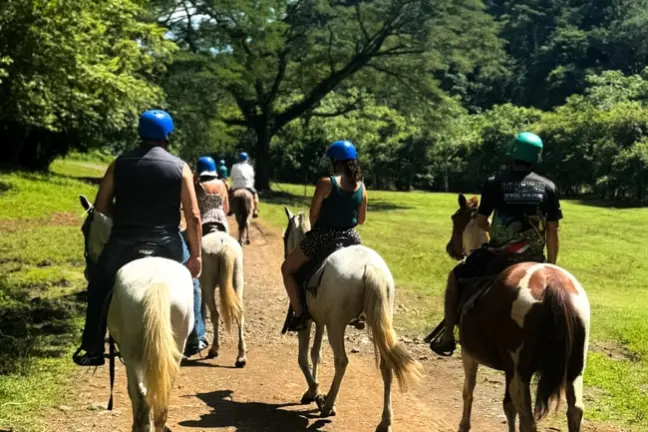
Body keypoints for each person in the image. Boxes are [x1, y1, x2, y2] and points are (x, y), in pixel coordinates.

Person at [73, 109, 202, 366]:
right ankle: (195, 337)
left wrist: (121, 215)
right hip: (168, 242)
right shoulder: (180, 167)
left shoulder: (119, 163)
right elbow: (195, 216)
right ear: (168, 135)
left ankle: (93, 346)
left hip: (124, 242)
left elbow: (100, 206)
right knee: (193, 282)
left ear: (140, 133)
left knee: (99, 283)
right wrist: (196, 256)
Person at [430, 132, 563, 357]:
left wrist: (497, 230)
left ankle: (447, 335)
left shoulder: (495, 183)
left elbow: (481, 221)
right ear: (536, 158)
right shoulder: (548, 187)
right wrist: (551, 265)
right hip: (534, 258)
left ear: (512, 155)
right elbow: (552, 231)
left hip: (499, 257)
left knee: (455, 275)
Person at [280, 140, 368, 332]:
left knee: (287, 268)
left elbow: (313, 215)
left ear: (334, 161)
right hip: (352, 238)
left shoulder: (325, 182)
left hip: (323, 235)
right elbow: (361, 220)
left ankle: (299, 314)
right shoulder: (361, 186)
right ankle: (361, 311)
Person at [195, 156, 230, 235]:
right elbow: (226, 209)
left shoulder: (198, 185)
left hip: (203, 222)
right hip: (222, 222)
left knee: (188, 244)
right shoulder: (222, 184)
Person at [230, 152, 259, 218]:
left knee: (229, 194)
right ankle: (255, 210)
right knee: (255, 195)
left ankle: (230, 209)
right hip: (248, 186)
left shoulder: (234, 166)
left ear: (239, 159)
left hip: (236, 186)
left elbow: (231, 177)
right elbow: (252, 177)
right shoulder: (250, 167)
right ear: (247, 159)